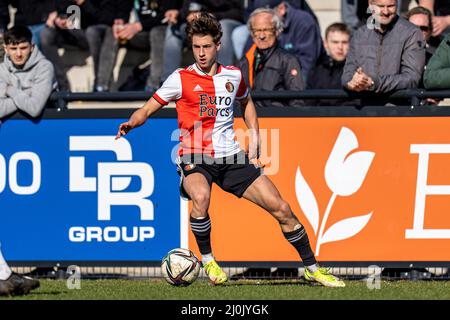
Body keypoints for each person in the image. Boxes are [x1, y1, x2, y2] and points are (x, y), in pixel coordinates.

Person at [116, 12, 345, 288]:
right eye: (197, 47)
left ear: (218, 45)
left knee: (282, 208)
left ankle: (312, 268)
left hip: (232, 157)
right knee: (200, 196)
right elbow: (149, 107)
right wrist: (133, 122)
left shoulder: (233, 76)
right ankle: (209, 260)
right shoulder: (180, 78)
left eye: (207, 47)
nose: (201, 53)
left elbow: (246, 102)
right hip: (194, 155)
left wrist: (255, 134)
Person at [341, 0, 426, 106]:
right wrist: (353, 82)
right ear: (370, 5)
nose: (386, 11)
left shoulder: (411, 33)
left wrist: (373, 83)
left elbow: (412, 78)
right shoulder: (359, 34)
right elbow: (347, 74)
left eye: (391, 6)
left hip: (398, 110)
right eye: (380, 6)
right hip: (365, 110)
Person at [161, 0, 245, 81]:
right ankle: (168, 81)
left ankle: (223, 79)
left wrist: (212, 16)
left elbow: (240, 13)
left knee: (223, 27)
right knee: (173, 29)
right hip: (200, 24)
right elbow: (188, 9)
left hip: (225, 21)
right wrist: (178, 14)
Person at [240, 7, 304, 107]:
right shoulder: (244, 61)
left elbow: (297, 101)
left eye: (266, 30)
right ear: (251, 34)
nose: (261, 36)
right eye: (257, 30)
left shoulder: (288, 60)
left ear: (277, 31)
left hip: (277, 118)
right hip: (250, 119)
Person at [0, 25, 54, 118]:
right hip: (13, 127)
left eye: (23, 48)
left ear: (32, 47)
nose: (18, 54)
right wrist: (28, 92)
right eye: (13, 48)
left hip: (47, 124)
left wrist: (9, 90)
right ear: (6, 49)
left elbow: (34, 108)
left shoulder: (44, 67)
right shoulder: (2, 69)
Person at [307, 22, 360, 106]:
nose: (340, 47)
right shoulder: (316, 70)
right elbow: (308, 103)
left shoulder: (359, 71)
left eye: (344, 42)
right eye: (335, 42)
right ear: (326, 44)